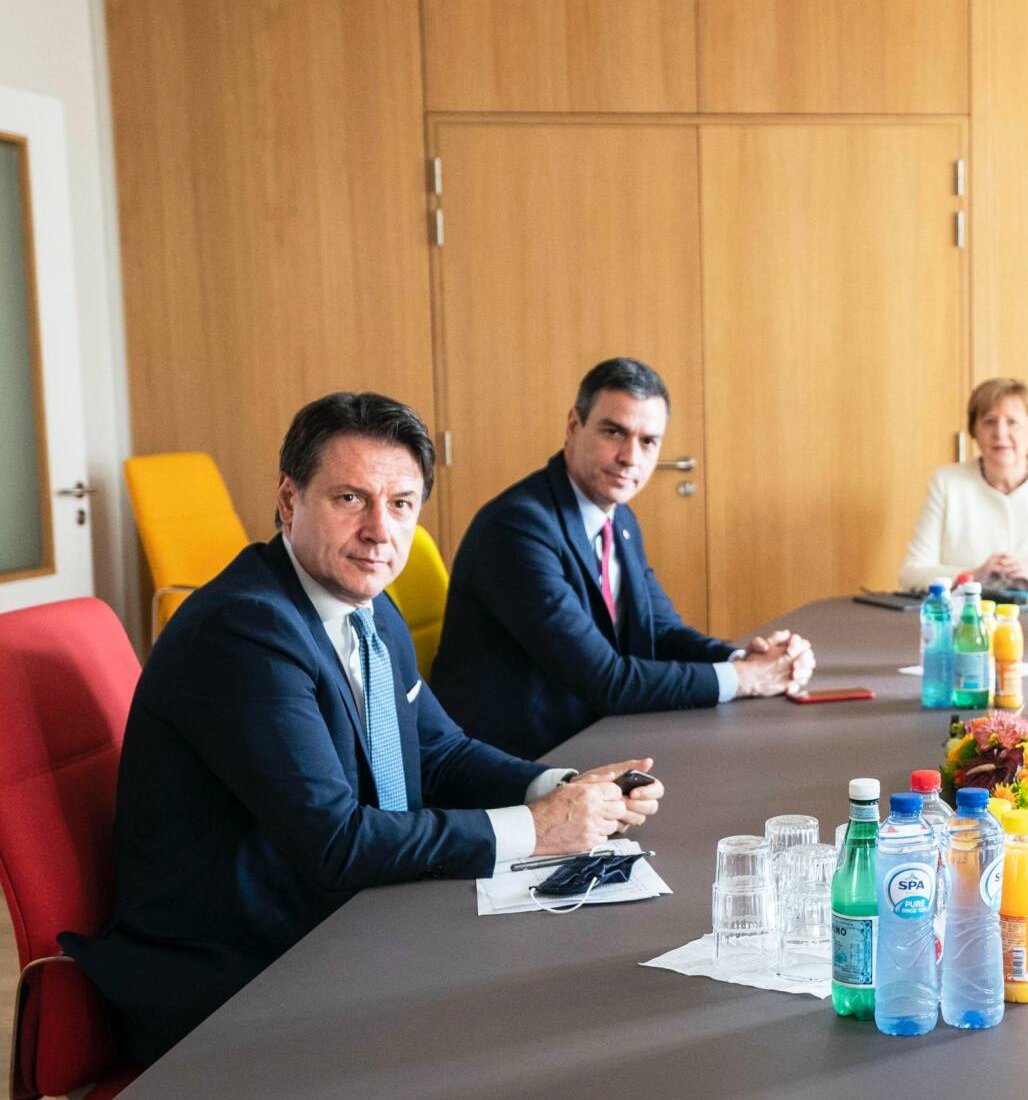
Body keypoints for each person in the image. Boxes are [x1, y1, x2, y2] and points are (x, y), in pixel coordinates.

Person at [62, 393, 660, 1065]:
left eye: (402, 504)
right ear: (289, 501)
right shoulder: (244, 631)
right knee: (521, 1037)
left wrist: (559, 786)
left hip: (339, 930)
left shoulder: (368, 607)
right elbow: (336, 840)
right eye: (351, 499)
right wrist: (540, 828)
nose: (381, 531)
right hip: (235, 982)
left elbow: (436, 751)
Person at [432, 359, 814, 759]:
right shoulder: (517, 529)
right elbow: (607, 681)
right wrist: (745, 678)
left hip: (593, 732)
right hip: (519, 758)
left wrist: (748, 659)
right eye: (614, 432)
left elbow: (662, 634)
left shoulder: (618, 518)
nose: (630, 457)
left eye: (648, 441)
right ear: (573, 426)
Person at [899, 377, 1028, 594]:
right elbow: (912, 571)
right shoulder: (946, 482)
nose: (1000, 433)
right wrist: (972, 576)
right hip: (969, 618)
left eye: (1012, 422)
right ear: (974, 432)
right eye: (989, 421)